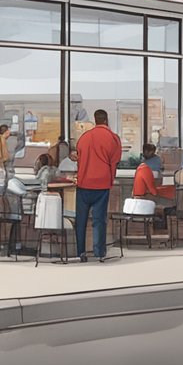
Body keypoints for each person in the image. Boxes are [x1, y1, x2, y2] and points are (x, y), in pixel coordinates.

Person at [74, 109, 121, 263]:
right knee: (99, 219)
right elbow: (114, 162)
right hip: (102, 184)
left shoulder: (84, 137)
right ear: (106, 120)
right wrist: (110, 180)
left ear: (95, 120)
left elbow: (79, 159)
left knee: (80, 220)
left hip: (83, 183)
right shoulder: (113, 138)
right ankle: (99, 252)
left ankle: (80, 252)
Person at [132, 144, 174, 210]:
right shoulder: (146, 170)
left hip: (142, 195)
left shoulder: (142, 168)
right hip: (144, 196)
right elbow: (153, 191)